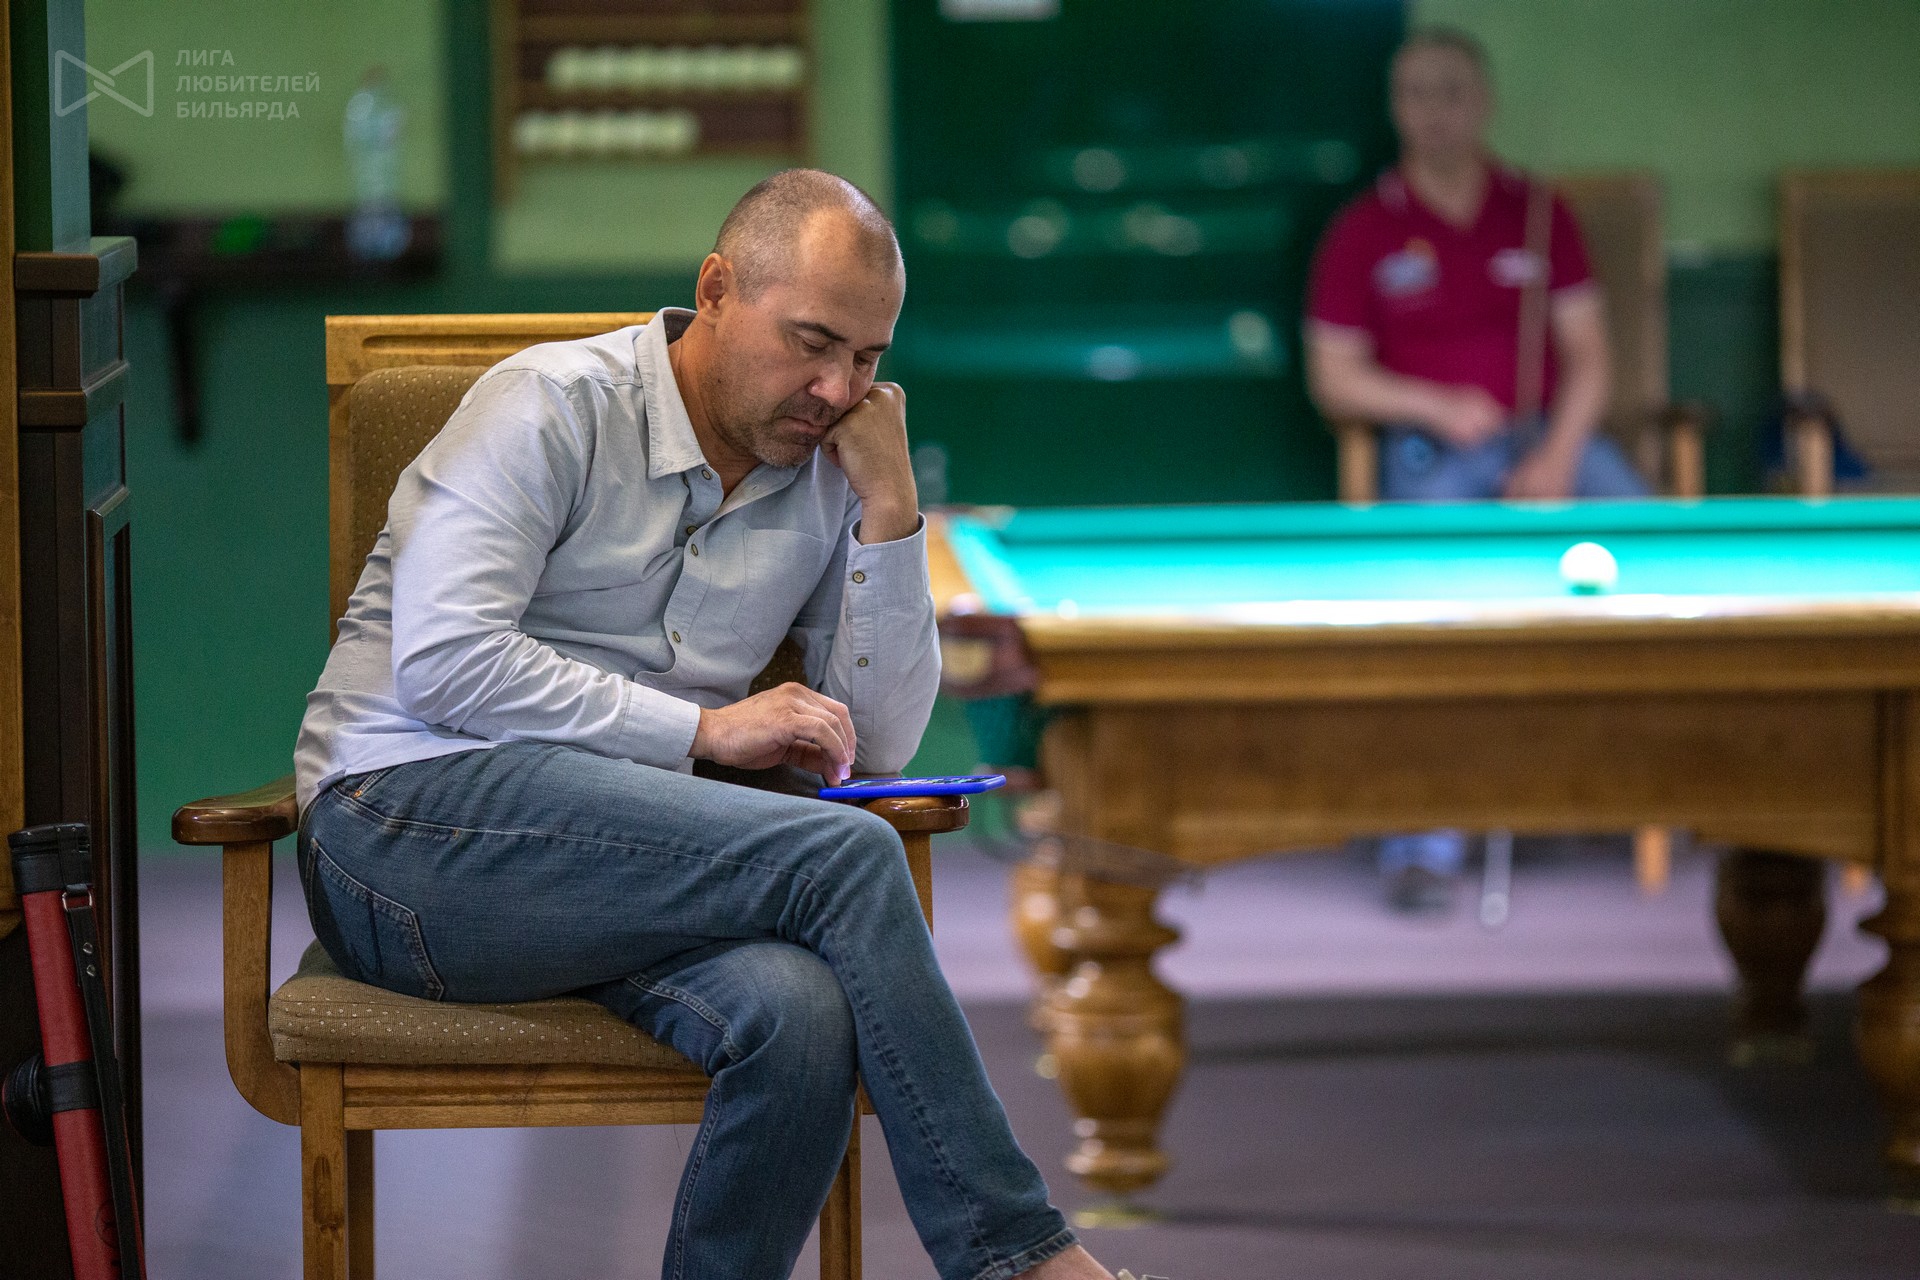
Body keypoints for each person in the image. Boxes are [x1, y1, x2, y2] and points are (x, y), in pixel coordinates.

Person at [293, 169, 1115, 1280]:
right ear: (717, 290)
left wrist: (890, 511)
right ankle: (1022, 1259)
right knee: (844, 856)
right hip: (403, 840)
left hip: (617, 874)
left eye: (867, 359)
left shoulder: (828, 465)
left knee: (800, 1013)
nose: (835, 388)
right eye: (812, 342)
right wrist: (703, 731)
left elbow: (878, 745)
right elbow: (445, 664)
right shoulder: (548, 405)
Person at [1303, 28, 1647, 910]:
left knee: (1652, 547)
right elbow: (1334, 377)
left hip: (1549, 436)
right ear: (1396, 107)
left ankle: (1681, 791)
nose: (1436, 111)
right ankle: (1425, 845)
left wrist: (1557, 455)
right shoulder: (1363, 230)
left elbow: (1591, 360)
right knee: (1430, 607)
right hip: (1434, 452)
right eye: (1418, 93)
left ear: (1484, 102)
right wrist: (1434, 404)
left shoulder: (1537, 213)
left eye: (1452, 91)